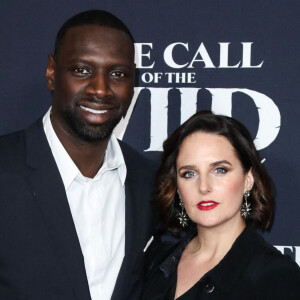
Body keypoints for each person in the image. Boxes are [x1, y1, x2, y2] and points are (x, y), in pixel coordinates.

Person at [0, 10, 157, 300]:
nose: (100, 89)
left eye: (118, 74)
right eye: (82, 70)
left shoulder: (149, 182)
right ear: (51, 73)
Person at [142, 111, 300, 299]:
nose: (203, 187)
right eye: (189, 173)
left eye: (220, 170)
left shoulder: (278, 277)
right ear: (176, 186)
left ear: (248, 179)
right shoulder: (156, 261)